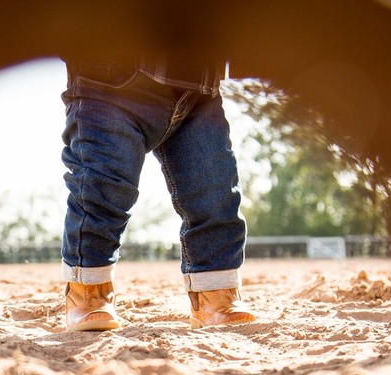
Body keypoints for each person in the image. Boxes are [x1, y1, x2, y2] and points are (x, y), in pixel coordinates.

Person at [59, 55, 258, 331]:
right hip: (111, 82)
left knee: (215, 190)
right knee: (103, 187)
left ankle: (216, 296)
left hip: (198, 88)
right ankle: (89, 293)